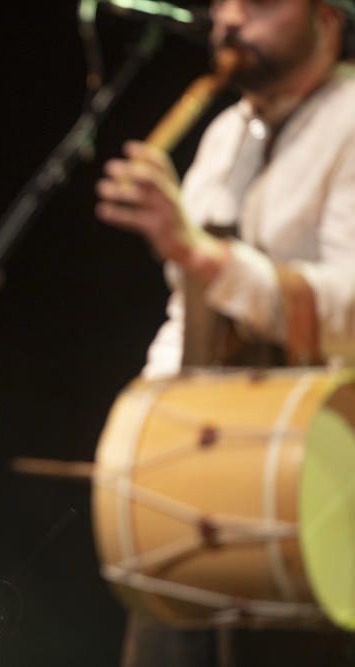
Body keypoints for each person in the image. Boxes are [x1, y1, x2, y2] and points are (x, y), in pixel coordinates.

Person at [96, 0, 355, 664]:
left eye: (260, 3)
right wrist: (147, 423)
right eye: (221, 5)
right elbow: (191, 311)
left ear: (328, 17)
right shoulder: (223, 136)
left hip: (326, 482)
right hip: (210, 473)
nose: (229, 21)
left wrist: (204, 256)